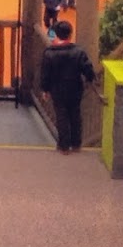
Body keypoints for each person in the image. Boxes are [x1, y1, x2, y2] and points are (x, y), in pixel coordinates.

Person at [38, 20, 95, 154]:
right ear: (70, 35)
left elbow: (45, 74)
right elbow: (87, 68)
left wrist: (45, 89)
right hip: (75, 88)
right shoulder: (78, 52)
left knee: (61, 116)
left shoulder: (49, 53)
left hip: (57, 89)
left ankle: (64, 146)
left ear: (56, 34)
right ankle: (76, 144)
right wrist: (90, 79)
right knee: (75, 115)